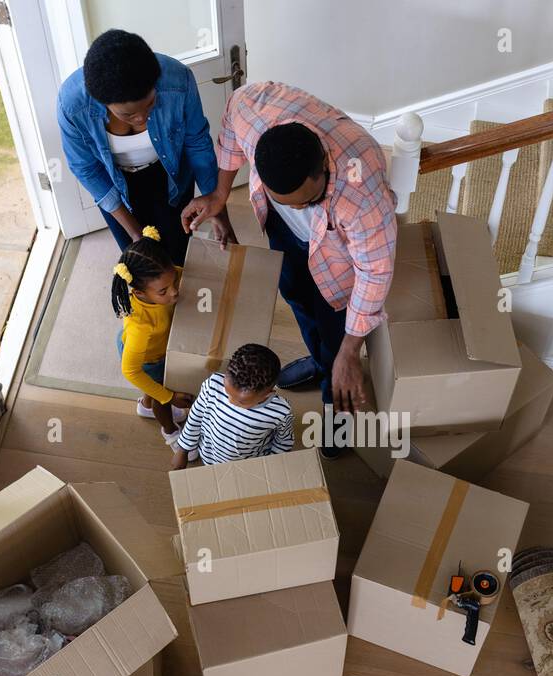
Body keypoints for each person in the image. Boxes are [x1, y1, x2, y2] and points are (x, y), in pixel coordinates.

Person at [179, 82, 396, 450]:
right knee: (295, 296)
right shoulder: (255, 111)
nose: (299, 209)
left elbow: (375, 271)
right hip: (287, 239)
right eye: (287, 202)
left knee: (335, 336)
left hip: (340, 260)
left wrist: (349, 351)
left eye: (306, 200)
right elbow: (232, 119)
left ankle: (336, 409)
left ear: (321, 169)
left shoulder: (362, 192)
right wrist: (219, 194)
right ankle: (320, 360)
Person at [57, 29, 235, 263]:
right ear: (103, 101)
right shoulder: (72, 105)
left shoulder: (177, 80)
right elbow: (86, 168)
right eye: (128, 114)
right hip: (116, 185)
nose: (141, 119)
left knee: (177, 251)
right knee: (144, 263)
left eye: (150, 104)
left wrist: (218, 207)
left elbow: (197, 143)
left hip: (171, 175)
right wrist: (133, 231)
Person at [111, 227, 194, 449]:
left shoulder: (166, 275)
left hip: (152, 345)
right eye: (163, 291)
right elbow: (130, 371)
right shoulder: (141, 327)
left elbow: (181, 273)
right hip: (150, 360)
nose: (174, 292)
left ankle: (145, 403)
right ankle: (170, 432)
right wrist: (168, 395)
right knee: (160, 398)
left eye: (174, 282)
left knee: (152, 391)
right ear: (139, 293)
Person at [172, 344, 294, 469]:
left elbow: (283, 441)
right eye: (227, 391)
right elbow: (195, 418)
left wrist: (269, 467)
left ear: (267, 395)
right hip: (209, 456)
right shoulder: (212, 385)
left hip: (247, 465)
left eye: (241, 402)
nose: (230, 401)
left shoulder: (280, 411)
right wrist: (183, 450)